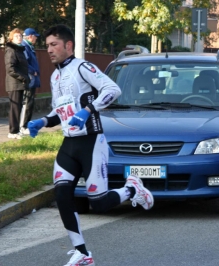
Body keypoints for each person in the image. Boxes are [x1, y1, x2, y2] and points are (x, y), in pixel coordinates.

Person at [27, 25, 154, 265]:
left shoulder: (83, 68)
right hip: (69, 144)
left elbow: (112, 89)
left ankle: (132, 189)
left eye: (54, 45)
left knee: (99, 204)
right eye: (47, 46)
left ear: (69, 45)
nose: (49, 50)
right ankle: (83, 253)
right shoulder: (55, 76)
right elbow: (60, 112)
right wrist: (43, 121)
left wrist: (87, 111)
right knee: (62, 193)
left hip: (92, 142)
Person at [4, 28, 29, 140]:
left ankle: (17, 130)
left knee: (18, 107)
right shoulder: (11, 50)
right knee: (14, 108)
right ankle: (13, 132)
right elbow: (10, 68)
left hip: (20, 83)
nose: (19, 38)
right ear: (11, 38)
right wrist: (22, 78)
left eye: (20, 36)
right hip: (14, 83)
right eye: (16, 36)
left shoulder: (19, 50)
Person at [20, 28, 41, 135]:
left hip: (32, 78)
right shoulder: (24, 47)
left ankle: (26, 124)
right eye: (35, 36)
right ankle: (23, 126)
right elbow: (24, 63)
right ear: (30, 36)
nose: (36, 38)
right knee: (27, 102)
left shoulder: (30, 47)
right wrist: (33, 71)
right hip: (29, 78)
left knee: (30, 102)